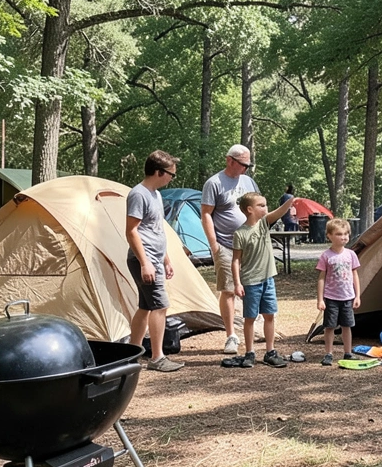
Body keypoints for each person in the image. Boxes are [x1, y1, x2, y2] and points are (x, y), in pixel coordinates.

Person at [201, 145, 295, 354]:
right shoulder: (214, 183)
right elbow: (206, 213)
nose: (245, 169)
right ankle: (231, 336)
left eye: (247, 165)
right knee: (228, 289)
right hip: (226, 243)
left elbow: (261, 207)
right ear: (230, 160)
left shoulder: (248, 182)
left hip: (253, 247)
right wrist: (213, 244)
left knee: (255, 286)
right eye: (242, 164)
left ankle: (254, 327)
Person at [126, 150, 184, 372]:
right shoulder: (138, 194)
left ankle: (132, 354)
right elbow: (131, 231)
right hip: (144, 260)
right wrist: (145, 263)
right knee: (160, 306)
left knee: (146, 307)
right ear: (159, 172)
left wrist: (166, 259)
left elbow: (157, 230)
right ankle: (157, 358)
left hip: (155, 259)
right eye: (171, 174)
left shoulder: (156, 195)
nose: (172, 178)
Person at [223, 192, 287, 368]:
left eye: (266, 205)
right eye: (261, 205)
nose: (265, 209)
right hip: (251, 282)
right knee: (250, 317)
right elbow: (236, 260)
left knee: (269, 315)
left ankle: (270, 351)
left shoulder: (264, 224)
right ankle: (250, 352)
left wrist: (290, 201)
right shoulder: (240, 233)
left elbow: (278, 213)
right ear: (249, 209)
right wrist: (237, 283)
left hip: (268, 280)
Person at [316, 218, 361, 366]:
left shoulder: (351, 254)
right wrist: (320, 299)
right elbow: (321, 278)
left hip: (347, 297)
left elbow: (355, 275)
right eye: (339, 234)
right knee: (329, 326)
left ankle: (348, 352)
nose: (343, 237)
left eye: (346, 234)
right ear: (329, 235)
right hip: (331, 297)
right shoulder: (326, 256)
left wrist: (357, 295)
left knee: (346, 326)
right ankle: (328, 353)